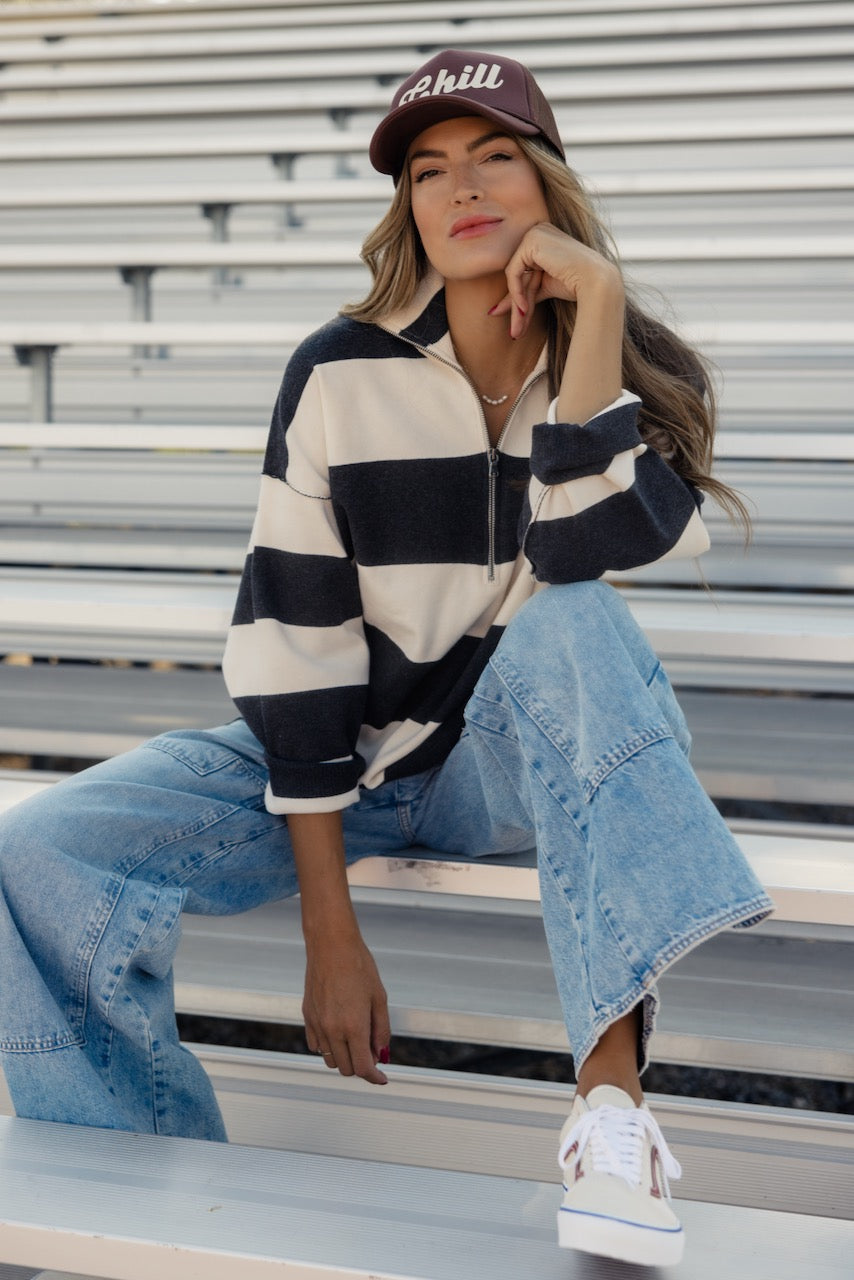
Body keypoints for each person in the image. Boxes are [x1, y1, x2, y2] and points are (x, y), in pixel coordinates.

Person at [0, 49, 772, 1269]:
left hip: (506, 763)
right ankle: (134, 1171)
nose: (460, 187)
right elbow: (295, 640)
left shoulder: (629, 369)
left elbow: (580, 549)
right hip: (347, 762)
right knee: (37, 847)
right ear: (405, 204)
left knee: (572, 621)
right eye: (428, 169)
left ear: (548, 183)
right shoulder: (336, 370)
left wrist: (597, 315)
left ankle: (612, 1113)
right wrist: (329, 925)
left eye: (493, 156)